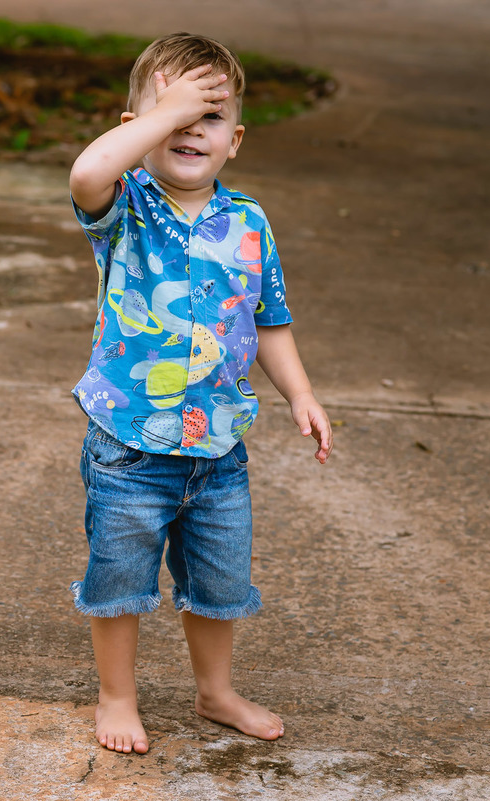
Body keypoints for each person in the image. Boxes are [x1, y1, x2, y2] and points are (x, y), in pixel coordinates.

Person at [67, 32, 333, 755]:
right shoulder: (126, 207)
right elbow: (87, 170)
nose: (189, 128)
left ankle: (215, 691)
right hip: (128, 446)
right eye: (171, 113)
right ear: (135, 131)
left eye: (208, 116)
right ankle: (116, 695)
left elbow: (270, 320)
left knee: (219, 586)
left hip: (219, 451)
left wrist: (299, 394)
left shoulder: (248, 223)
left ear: (235, 139)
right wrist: (169, 110)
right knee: (119, 582)